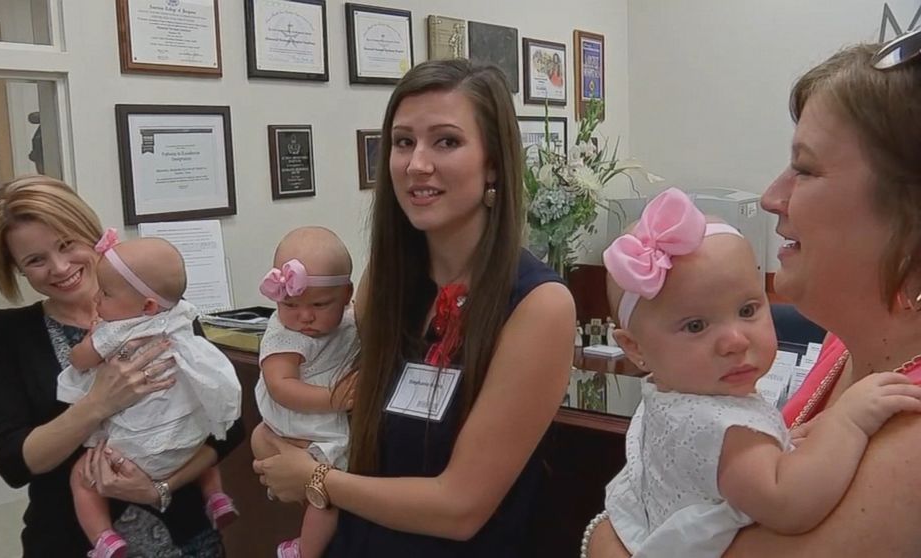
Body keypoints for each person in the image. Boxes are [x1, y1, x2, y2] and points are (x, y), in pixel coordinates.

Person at [588, 28, 921, 558]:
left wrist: (603, 540)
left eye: (805, 169)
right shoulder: (844, 345)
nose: (770, 197)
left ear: (908, 214)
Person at [254, 58, 576, 557]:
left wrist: (318, 479)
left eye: (445, 141)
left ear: (493, 162)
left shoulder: (538, 305)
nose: (416, 163)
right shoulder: (383, 282)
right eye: (403, 142)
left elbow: (460, 508)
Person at [598, 187, 921, 558]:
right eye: (695, 326)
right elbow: (788, 502)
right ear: (635, 347)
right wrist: (847, 421)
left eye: (748, 310)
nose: (734, 340)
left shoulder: (672, 400)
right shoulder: (721, 427)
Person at [0, 174, 244, 557]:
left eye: (67, 244)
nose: (59, 267)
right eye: (35, 260)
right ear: (17, 268)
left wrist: (160, 488)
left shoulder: (157, 309)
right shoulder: (7, 334)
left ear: (90, 233)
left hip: (188, 541)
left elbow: (228, 427)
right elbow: (15, 463)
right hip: (68, 543)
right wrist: (99, 403)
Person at [57, 231, 242, 557]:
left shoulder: (117, 330)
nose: (96, 300)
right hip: (184, 441)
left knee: (81, 477)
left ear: (147, 305)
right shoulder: (181, 317)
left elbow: (79, 359)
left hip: (134, 451)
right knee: (203, 435)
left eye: (106, 294)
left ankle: (104, 539)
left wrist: (92, 336)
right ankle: (216, 496)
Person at [251, 226, 358, 558]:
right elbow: (280, 386)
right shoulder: (285, 335)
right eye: (290, 304)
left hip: (327, 418)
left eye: (321, 304)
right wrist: (333, 399)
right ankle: (303, 551)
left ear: (346, 294)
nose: (305, 316)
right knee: (326, 493)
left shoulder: (350, 321)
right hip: (301, 419)